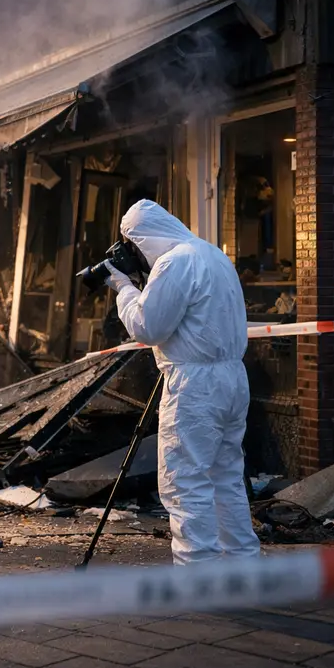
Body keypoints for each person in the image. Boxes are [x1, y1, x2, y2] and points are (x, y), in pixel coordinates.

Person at [104, 199, 261, 565]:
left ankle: (198, 574)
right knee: (226, 478)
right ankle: (242, 563)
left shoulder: (175, 262)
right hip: (231, 378)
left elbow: (148, 326)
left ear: (142, 239)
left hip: (195, 384)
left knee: (185, 481)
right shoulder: (212, 255)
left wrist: (123, 287)